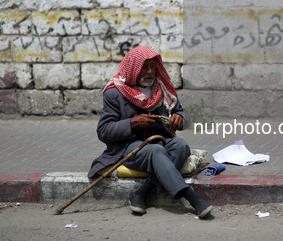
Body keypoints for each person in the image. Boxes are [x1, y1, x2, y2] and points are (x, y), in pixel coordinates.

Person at [88, 46, 213, 218]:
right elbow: (103, 131)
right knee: (156, 150)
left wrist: (179, 118)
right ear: (133, 69)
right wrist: (131, 123)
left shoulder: (162, 89)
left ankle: (142, 192)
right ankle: (191, 196)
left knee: (180, 145)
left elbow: (182, 113)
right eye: (144, 67)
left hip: (160, 142)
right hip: (129, 149)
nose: (150, 71)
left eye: (153, 66)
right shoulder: (114, 93)